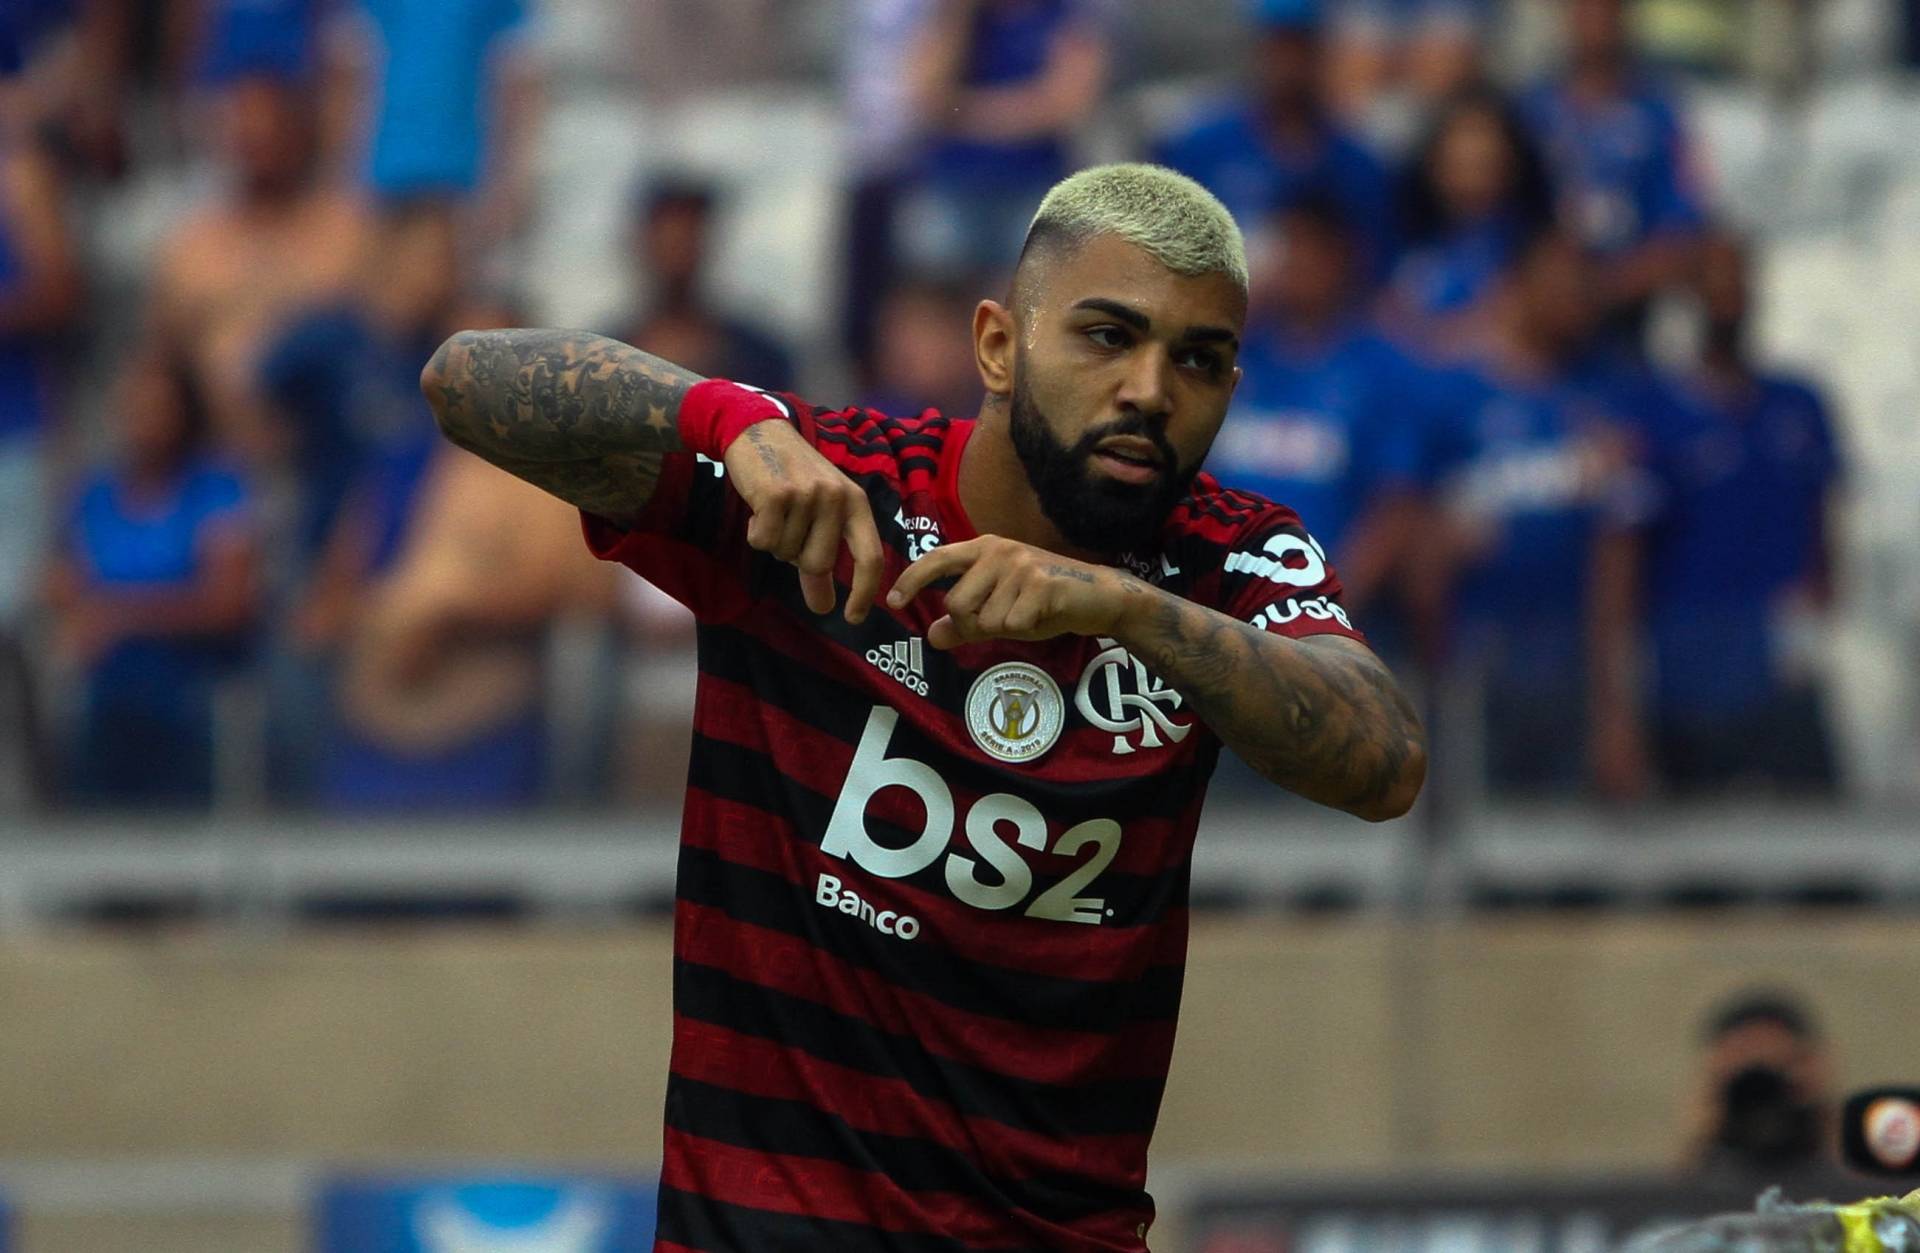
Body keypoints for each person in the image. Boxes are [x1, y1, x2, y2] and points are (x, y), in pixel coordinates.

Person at [423, 162, 1425, 1251]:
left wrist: (1123, 606)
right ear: (998, 345)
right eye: (1107, 335)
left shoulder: (1232, 556)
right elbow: (466, 378)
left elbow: (1384, 758)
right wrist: (730, 420)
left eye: (1200, 359)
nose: (1150, 388)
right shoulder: (826, 487)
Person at [1411, 230, 1649, 798]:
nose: (1575, 297)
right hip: (1472, 673)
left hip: (1571, 672)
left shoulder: (1604, 401)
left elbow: (1617, 559)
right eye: (1560, 282)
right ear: (1517, 286)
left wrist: (1616, 709)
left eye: (1584, 285)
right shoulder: (1453, 398)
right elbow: (1416, 541)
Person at [1627, 232, 1844, 797]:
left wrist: (1818, 625)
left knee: (1816, 827)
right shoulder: (1651, 410)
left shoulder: (1798, 403)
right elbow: (1622, 552)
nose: (1727, 297)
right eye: (1711, 283)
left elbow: (1823, 526)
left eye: (1738, 281)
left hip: (1785, 673)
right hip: (1689, 676)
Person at [45, 349, 260, 809]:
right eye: (133, 406)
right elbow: (63, 588)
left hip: (188, 686)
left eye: (157, 407)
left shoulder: (217, 489)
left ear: (183, 411)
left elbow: (227, 604)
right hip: (105, 689)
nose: (143, 420)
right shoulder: (95, 493)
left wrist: (123, 619)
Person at [148, 48, 367, 456]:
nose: (260, 140)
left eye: (273, 126)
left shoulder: (347, 230)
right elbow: (162, 369)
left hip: (333, 453)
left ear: (299, 129)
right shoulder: (192, 248)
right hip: (222, 458)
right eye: (247, 128)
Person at [1211, 196, 1424, 608]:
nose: (1298, 262)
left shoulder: (1381, 371)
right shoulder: (1235, 357)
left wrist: (1326, 608)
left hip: (1319, 608)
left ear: (1344, 259)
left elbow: (1394, 507)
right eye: (1289, 245)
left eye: (1313, 248)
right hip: (1215, 599)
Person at [1156, 0, 1395, 284]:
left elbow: (1378, 272)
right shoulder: (1202, 147)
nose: (1288, 63)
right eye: (1278, 47)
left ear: (1322, 54)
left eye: (1300, 48)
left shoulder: (1357, 165)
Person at [1520, 0, 1706, 345]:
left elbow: (1681, 230)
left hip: (1626, 318)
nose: (1595, 22)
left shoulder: (1658, 116)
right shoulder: (1529, 110)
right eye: (1583, 9)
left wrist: (1600, 289)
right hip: (1534, 314)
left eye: (1605, 10)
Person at [1383, 86, 1555, 347]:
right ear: (1433, 164)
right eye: (1460, 163)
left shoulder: (1536, 251)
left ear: (1512, 162)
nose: (1472, 178)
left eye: (1484, 163)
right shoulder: (1405, 242)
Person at [619, 176, 796, 395]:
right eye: (669, 235)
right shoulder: (603, 360)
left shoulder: (761, 357)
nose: (679, 246)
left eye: (690, 233)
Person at [1682, 992, 1837, 1188]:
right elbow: (1676, 1196)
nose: (1760, 1085)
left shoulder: (1825, 1136)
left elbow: (1856, 1189)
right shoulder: (1713, 1139)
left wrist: (1825, 1119)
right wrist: (1701, 1132)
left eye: (1779, 1061)